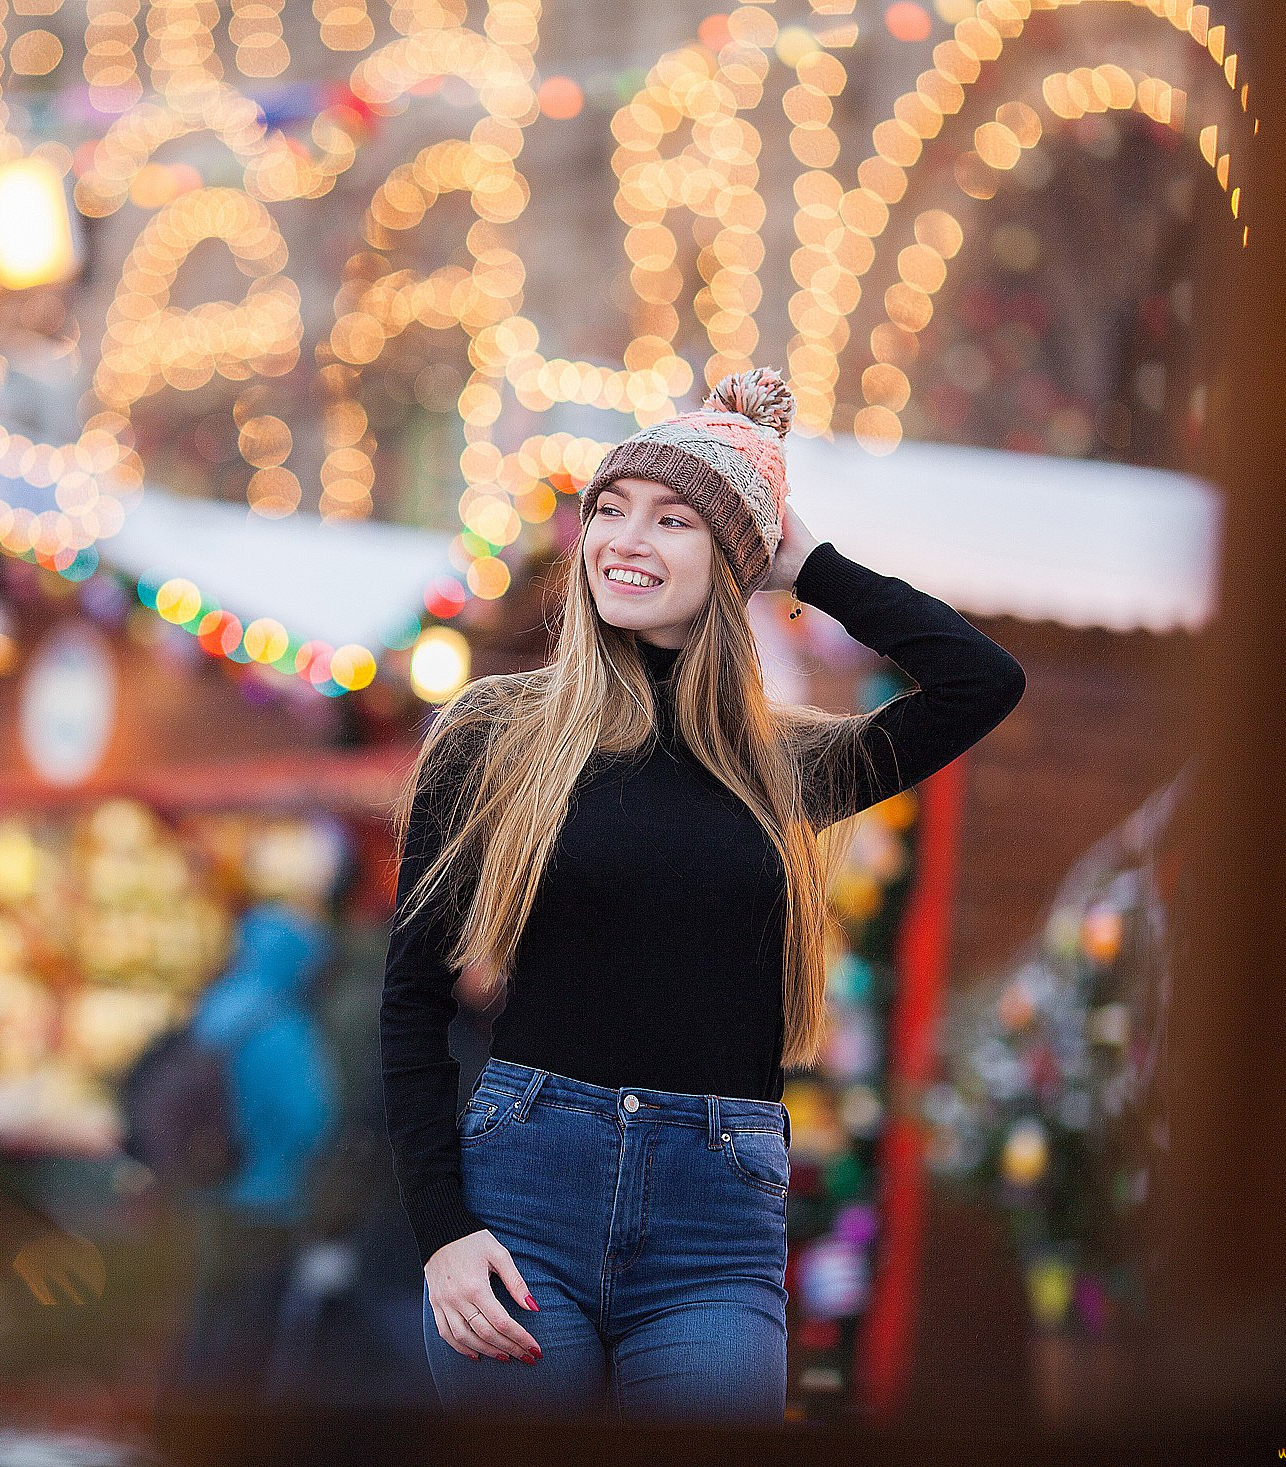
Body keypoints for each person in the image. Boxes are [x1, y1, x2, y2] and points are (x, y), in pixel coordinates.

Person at [378, 367, 1026, 1423]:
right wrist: (442, 1233)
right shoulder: (495, 736)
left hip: (712, 1235)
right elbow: (411, 1001)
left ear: (736, 561)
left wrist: (808, 561)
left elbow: (979, 681)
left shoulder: (782, 770)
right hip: (524, 1201)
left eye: (674, 520)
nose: (624, 540)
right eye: (609, 511)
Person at [167, 901, 342, 1403]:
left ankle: (188, 1413)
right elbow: (312, 1117)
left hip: (206, 1185)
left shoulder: (215, 1007)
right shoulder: (283, 1026)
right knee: (250, 1321)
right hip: (269, 1195)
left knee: (207, 1311)